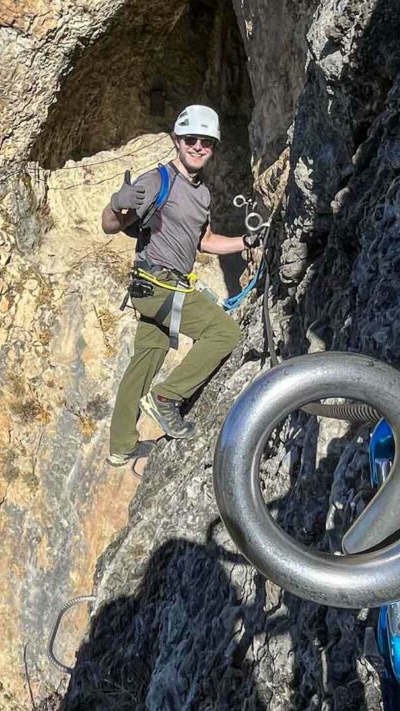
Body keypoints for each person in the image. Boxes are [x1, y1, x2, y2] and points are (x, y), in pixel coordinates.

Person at [102, 104, 258, 467]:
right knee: (224, 334)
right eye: (191, 139)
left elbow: (203, 240)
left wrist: (245, 242)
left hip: (156, 289)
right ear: (177, 140)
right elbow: (111, 225)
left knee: (144, 361)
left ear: (213, 147)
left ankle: (121, 446)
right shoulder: (157, 180)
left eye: (206, 142)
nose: (198, 147)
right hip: (158, 285)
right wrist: (115, 205)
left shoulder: (202, 193)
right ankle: (167, 399)